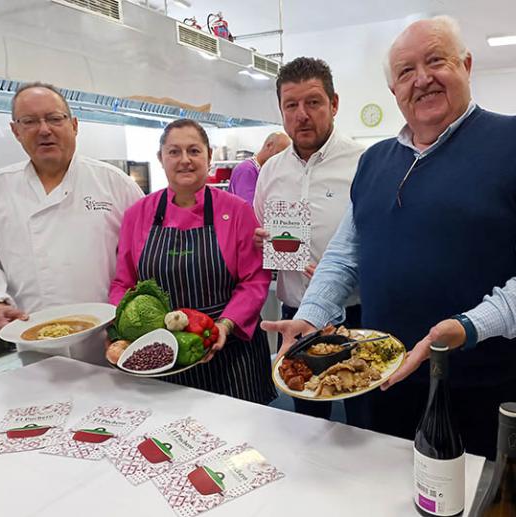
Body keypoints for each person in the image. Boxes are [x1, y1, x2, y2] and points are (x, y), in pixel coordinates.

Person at [263, 16, 516, 460]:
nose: (422, 79)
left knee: (475, 499)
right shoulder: (375, 161)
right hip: (380, 379)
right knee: (378, 489)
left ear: (466, 65)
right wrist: (313, 314)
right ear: (394, 90)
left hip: (479, 385)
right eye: (405, 72)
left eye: (436, 61)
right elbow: (343, 256)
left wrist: (469, 326)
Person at [0, 82, 143, 362]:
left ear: (75, 125)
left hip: (113, 343)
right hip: (37, 347)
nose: (44, 130)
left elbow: (147, 254)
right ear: (16, 131)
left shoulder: (115, 184)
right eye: (30, 122)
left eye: (55, 119)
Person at [109, 119, 276, 405]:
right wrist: (117, 332)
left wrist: (225, 325)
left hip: (230, 349)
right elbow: (124, 283)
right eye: (174, 152)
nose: (184, 160)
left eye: (194, 151)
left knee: (242, 438)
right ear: (161, 158)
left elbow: (254, 280)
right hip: (164, 352)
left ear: (209, 157)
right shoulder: (138, 214)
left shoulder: (236, 211)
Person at [253, 57, 365, 422]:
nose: (302, 114)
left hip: (353, 316)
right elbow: (260, 228)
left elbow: (381, 244)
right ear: (281, 110)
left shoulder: (363, 164)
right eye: (291, 105)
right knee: (305, 417)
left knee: (362, 417)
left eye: (313, 102)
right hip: (294, 315)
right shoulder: (271, 171)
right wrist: (258, 244)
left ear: (334, 104)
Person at [228, 132, 290, 205]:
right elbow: (249, 207)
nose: (280, 160)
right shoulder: (246, 170)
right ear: (269, 145)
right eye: (278, 154)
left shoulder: (264, 171)